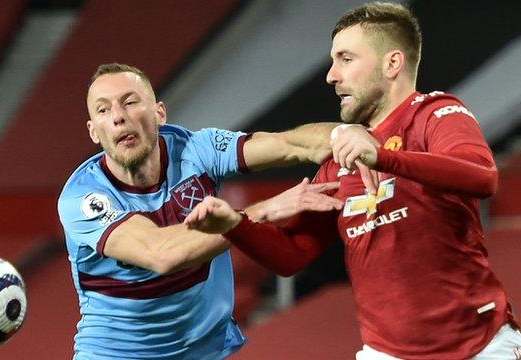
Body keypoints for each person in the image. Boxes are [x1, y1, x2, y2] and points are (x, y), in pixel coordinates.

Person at [184, 2, 521, 359]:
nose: (331, 75)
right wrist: (235, 224)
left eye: (346, 59)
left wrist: (382, 156)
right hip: (386, 352)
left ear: (392, 64)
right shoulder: (341, 156)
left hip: (479, 347)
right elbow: (292, 255)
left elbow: (483, 178)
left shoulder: (435, 113)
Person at [57, 63, 347, 359]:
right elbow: (161, 254)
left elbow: (290, 144)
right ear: (93, 131)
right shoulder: (84, 197)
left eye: (130, 102)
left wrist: (349, 135)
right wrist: (262, 211)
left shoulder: (196, 150)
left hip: (204, 352)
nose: (118, 117)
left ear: (159, 113)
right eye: (103, 110)